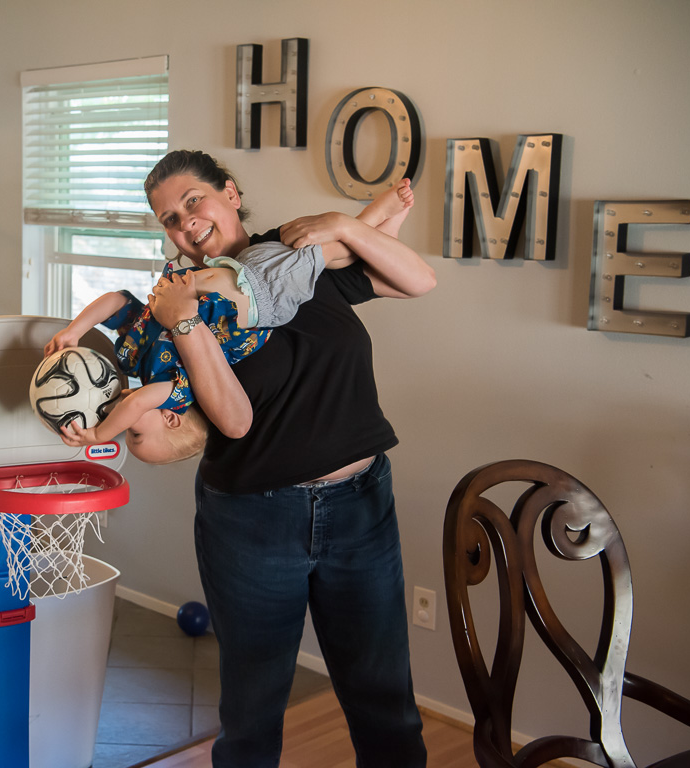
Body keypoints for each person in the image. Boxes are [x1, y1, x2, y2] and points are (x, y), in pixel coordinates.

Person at [144, 150, 436, 767]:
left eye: (193, 201)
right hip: (252, 520)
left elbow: (415, 279)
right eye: (169, 218)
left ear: (229, 191)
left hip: (362, 506)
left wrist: (345, 224)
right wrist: (181, 326)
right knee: (251, 716)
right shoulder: (185, 303)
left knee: (386, 705)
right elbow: (221, 420)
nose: (185, 223)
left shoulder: (293, 254)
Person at [43, 182, 413, 464]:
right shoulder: (176, 388)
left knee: (328, 252)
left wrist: (75, 330)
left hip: (224, 281)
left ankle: (373, 217)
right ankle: (376, 216)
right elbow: (137, 405)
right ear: (172, 419)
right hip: (255, 303)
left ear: (231, 193)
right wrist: (98, 435)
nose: (123, 430)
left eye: (192, 200)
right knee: (325, 253)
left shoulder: (138, 357)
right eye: (134, 435)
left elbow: (117, 301)